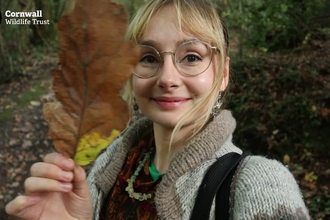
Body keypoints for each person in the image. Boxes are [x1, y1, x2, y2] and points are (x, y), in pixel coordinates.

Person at [5, 0, 310, 219]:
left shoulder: (257, 184)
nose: (167, 79)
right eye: (149, 58)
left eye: (191, 57)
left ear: (223, 74)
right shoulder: (109, 166)